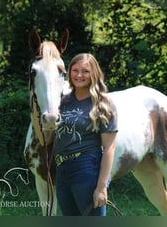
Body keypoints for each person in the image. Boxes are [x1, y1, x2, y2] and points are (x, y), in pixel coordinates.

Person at [54, 53, 118, 216]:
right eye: (75, 70)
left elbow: (109, 148)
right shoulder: (62, 102)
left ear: (94, 74)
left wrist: (102, 187)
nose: (79, 75)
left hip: (87, 167)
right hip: (62, 168)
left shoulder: (103, 104)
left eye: (85, 71)